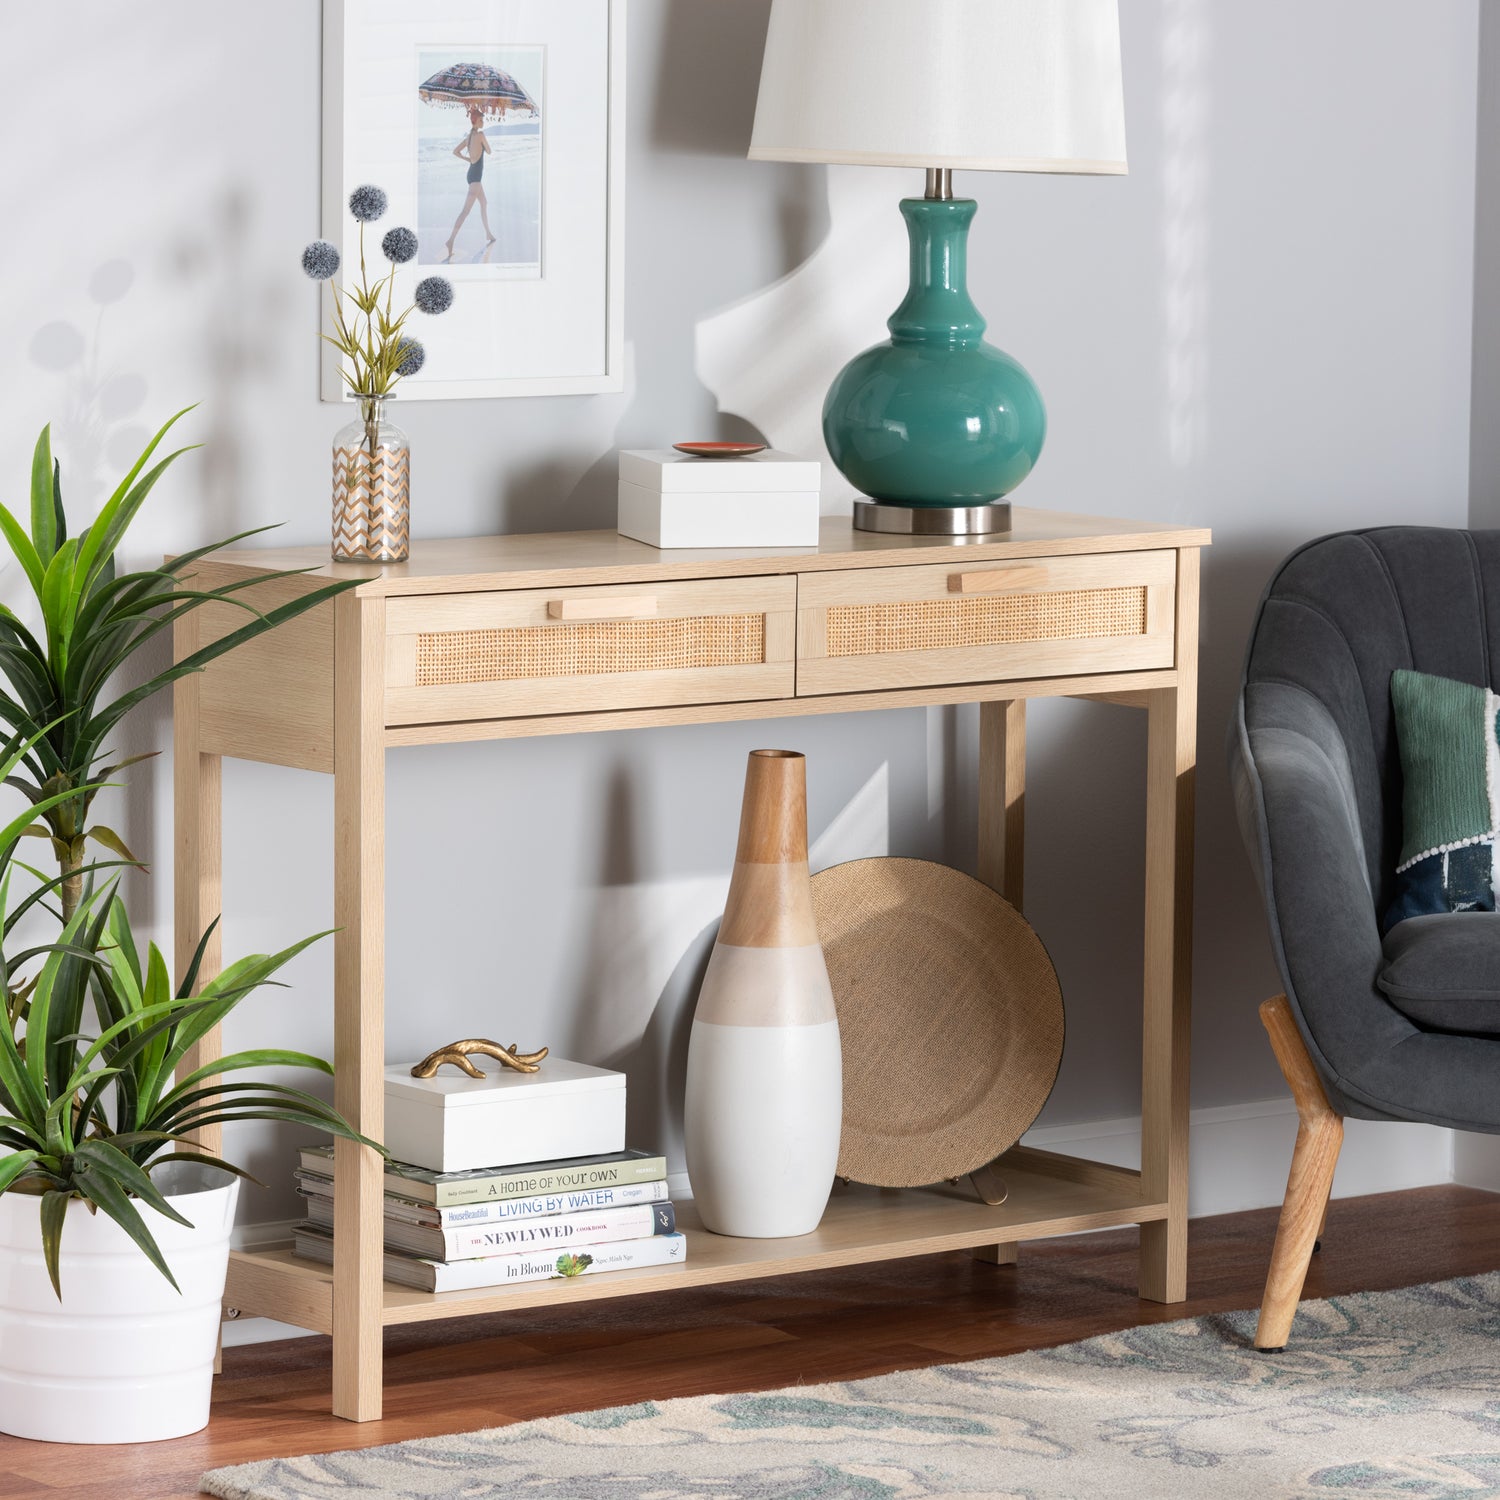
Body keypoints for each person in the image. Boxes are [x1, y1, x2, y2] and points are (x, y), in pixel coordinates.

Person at [445, 105, 495, 257]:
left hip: (472, 175)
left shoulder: (469, 137)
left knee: (484, 203)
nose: (483, 122)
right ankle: (450, 240)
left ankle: (488, 233)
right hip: (475, 179)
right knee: (465, 212)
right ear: (476, 121)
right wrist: (474, 155)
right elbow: (489, 151)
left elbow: (455, 151)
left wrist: (468, 159)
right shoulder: (480, 135)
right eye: (481, 119)